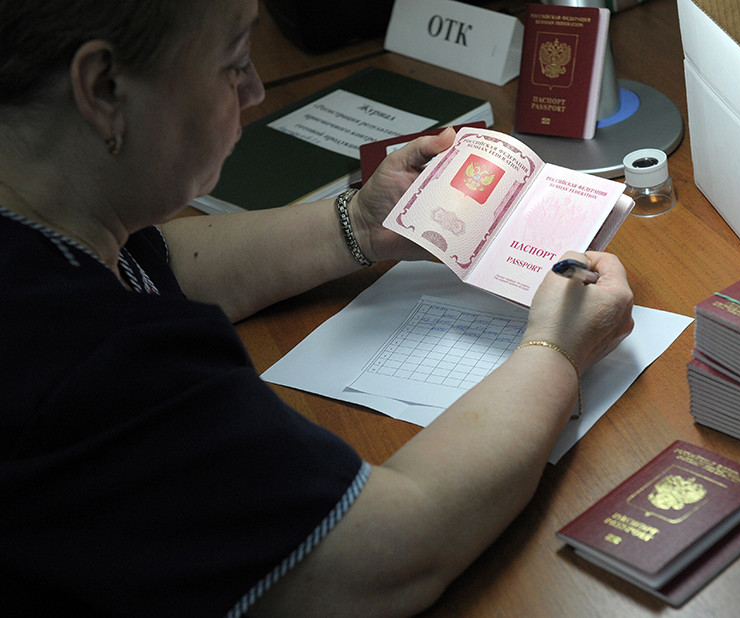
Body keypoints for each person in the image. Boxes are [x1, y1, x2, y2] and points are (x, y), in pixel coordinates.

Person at [0, 0, 634, 616]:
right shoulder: (90, 363)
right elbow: (393, 551)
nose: (252, 91)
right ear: (105, 87)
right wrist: (556, 348)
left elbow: (159, 261)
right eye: (233, 60)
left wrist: (359, 225)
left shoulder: (41, 217)